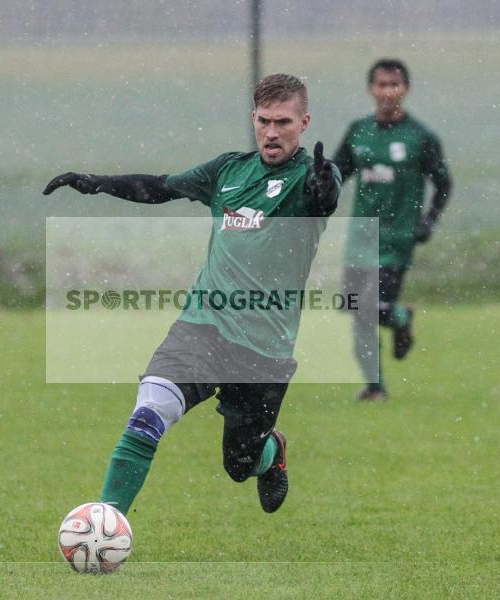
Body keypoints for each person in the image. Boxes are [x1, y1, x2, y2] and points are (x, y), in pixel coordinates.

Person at [43, 74, 341, 515]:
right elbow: (161, 188)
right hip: (202, 327)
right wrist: (98, 182)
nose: (272, 132)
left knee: (239, 464)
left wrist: (323, 191)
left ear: (305, 123)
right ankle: (106, 520)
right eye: (264, 121)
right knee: (151, 410)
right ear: (253, 119)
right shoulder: (228, 170)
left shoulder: (314, 175)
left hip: (264, 346)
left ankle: (269, 453)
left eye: (284, 122)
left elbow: (324, 198)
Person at [332, 58, 452, 401]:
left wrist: (429, 219)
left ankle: (399, 318)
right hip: (360, 238)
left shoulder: (420, 137)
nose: (388, 92)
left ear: (406, 89)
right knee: (356, 311)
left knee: (370, 307)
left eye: (394, 85)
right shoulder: (359, 132)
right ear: (371, 89)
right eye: (381, 85)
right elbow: (338, 174)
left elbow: (443, 183)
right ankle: (375, 387)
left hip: (396, 239)